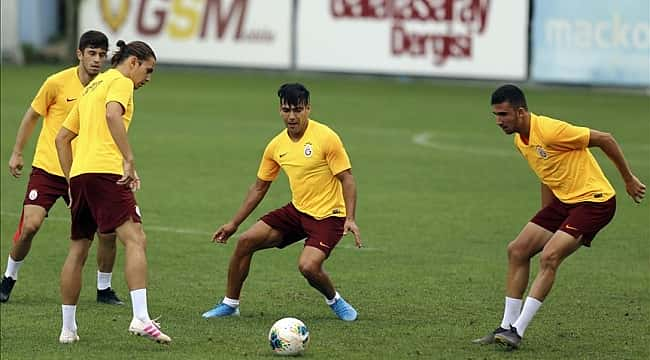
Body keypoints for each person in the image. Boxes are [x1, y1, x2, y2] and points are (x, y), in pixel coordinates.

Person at [473, 84, 646, 349]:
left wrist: (628, 179)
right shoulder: (521, 140)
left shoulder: (551, 130)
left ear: (520, 112)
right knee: (517, 250)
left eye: (504, 115)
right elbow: (547, 174)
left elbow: (606, 139)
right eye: (495, 115)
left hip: (594, 201)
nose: (499, 121)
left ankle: (517, 332)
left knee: (549, 256)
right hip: (564, 202)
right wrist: (546, 218)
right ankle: (505, 326)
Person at [202, 83, 362, 321]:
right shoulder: (276, 146)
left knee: (308, 267)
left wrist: (350, 218)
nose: (292, 116)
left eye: (297, 110)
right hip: (298, 211)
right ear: (280, 110)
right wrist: (233, 223)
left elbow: (347, 179)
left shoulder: (326, 138)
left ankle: (335, 300)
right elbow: (259, 187)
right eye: (286, 110)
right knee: (245, 242)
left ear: (308, 108)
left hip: (329, 216)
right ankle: (230, 304)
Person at [54, 39, 171, 344]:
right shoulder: (120, 81)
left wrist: (71, 180)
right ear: (133, 62)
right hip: (106, 173)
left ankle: (68, 330)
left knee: (78, 249)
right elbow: (112, 115)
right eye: (148, 70)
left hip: (80, 175)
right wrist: (129, 160)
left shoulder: (94, 85)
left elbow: (62, 138)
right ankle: (141, 317)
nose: (148, 78)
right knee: (136, 239)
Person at [1, 30, 123, 305]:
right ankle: (9, 277)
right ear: (79, 54)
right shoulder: (56, 83)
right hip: (48, 168)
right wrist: (17, 152)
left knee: (107, 231)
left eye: (102, 55)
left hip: (83, 171)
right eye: (91, 53)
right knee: (30, 225)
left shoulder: (107, 87)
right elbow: (33, 114)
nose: (97, 60)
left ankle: (104, 288)